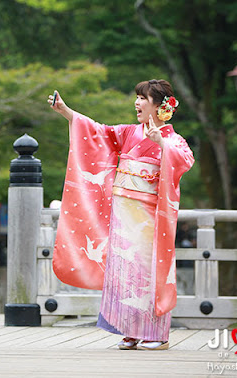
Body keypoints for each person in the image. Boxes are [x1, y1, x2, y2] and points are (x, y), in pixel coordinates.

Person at [48, 80, 194, 350]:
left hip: (149, 218)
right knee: (124, 272)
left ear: (160, 106)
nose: (137, 103)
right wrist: (66, 112)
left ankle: (157, 334)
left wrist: (161, 142)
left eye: (143, 98)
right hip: (123, 213)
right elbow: (96, 132)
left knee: (148, 272)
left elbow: (185, 160)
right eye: (136, 98)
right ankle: (130, 330)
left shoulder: (173, 140)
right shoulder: (129, 133)